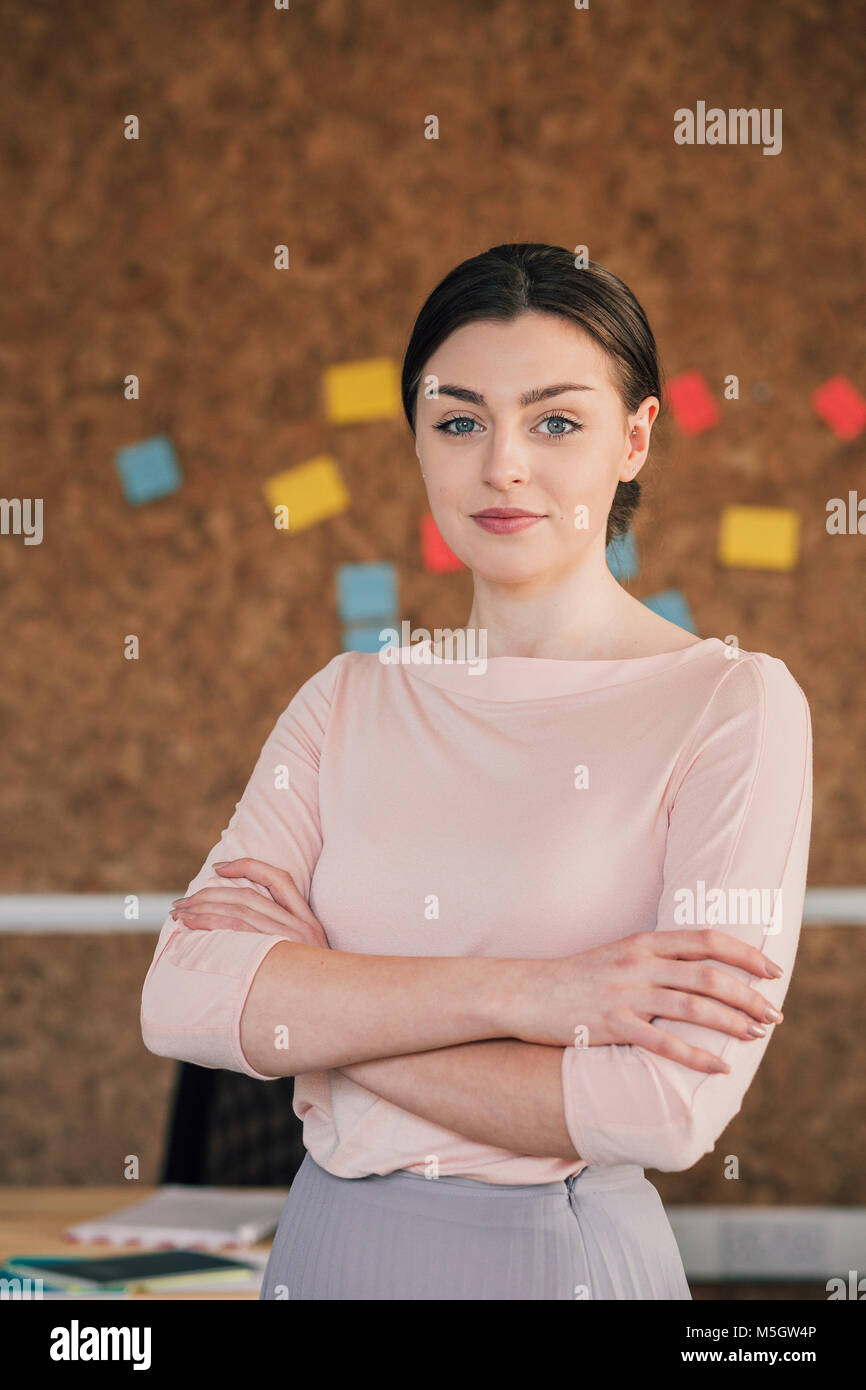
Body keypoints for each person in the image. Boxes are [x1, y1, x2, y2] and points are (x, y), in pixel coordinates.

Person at [140, 244, 813, 1300]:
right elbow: (180, 992)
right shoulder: (347, 700)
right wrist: (531, 994)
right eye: (458, 420)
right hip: (320, 1252)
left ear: (633, 438)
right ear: (416, 440)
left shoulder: (731, 704)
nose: (502, 464)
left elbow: (663, 1107)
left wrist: (323, 1035)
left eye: (555, 420)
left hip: (557, 1260)